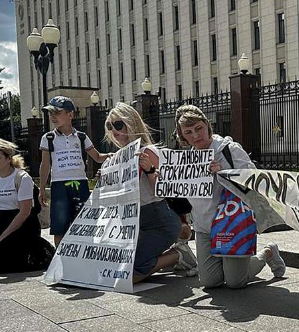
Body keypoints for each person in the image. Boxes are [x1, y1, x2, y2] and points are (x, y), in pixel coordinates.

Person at [175, 104, 285, 288]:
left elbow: (253, 177)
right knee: (210, 282)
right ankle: (228, 263)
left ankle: (268, 252)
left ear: (207, 125)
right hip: (204, 227)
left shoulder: (229, 149)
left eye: (198, 128)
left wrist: (224, 172)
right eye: (188, 132)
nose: (195, 136)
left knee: (235, 282)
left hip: (232, 223)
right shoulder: (187, 161)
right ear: (182, 136)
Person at [104, 103, 183, 283]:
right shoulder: (115, 158)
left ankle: (179, 255)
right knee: (117, 270)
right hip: (133, 223)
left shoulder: (147, 151)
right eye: (110, 126)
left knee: (130, 276)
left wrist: (149, 170)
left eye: (118, 125)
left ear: (131, 123)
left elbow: (166, 190)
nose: (114, 131)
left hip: (159, 219)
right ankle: (165, 257)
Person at [39, 96, 109, 246]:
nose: (53, 117)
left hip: (80, 184)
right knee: (59, 226)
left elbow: (97, 157)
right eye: (50, 113)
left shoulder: (81, 137)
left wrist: (113, 155)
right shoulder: (48, 138)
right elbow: (45, 165)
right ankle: (60, 260)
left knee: (84, 222)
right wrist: (42, 189)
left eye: (57, 112)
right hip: (59, 185)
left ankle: (84, 256)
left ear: (70, 114)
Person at [0, 140, 54, 273]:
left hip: (21, 224)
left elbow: (24, 212)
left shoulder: (22, 178)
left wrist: (2, 236)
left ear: (9, 159)